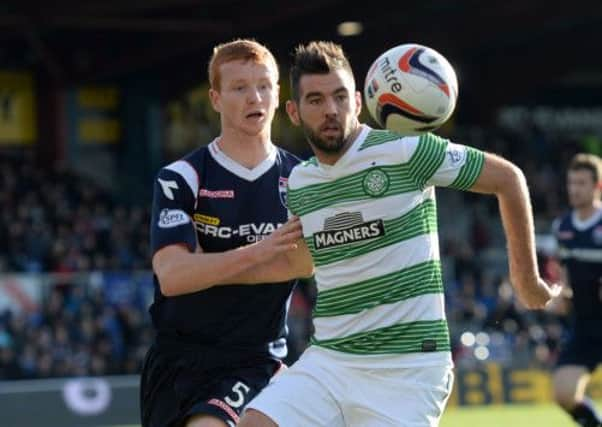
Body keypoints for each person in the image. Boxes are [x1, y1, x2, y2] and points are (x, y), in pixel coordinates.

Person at [234, 41, 560, 427]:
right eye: (316, 100)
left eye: (339, 97)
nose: (331, 110)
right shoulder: (300, 183)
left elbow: (508, 178)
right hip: (331, 361)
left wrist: (526, 279)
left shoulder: (407, 151)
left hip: (408, 367)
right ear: (293, 111)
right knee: (254, 423)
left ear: (358, 101)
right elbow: (304, 262)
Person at [140, 39, 311, 427]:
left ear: (279, 93)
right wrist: (263, 249)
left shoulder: (302, 179)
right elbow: (173, 276)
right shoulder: (181, 178)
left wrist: (207, 264)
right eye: (240, 88)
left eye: (264, 85)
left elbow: (301, 263)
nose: (255, 97)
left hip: (255, 359)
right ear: (215, 99)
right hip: (175, 362)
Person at [552, 153, 602, 427]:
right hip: (584, 325)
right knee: (563, 393)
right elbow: (565, 273)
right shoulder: (564, 227)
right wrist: (562, 294)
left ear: (597, 186)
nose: (574, 189)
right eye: (571, 183)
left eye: (581, 183)